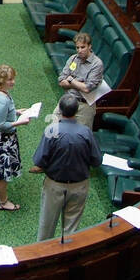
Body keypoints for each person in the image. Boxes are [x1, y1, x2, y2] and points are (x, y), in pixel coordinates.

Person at [31, 92, 102, 241]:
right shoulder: (86, 132)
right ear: (77, 112)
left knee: (46, 228)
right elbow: (96, 161)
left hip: (54, 186)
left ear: (60, 110)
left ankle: (43, 258)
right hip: (79, 186)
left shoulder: (52, 131)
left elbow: (39, 160)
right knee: (71, 231)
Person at [0, 64, 29, 211]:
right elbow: (1, 125)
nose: (13, 82)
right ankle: (4, 202)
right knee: (2, 173)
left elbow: (0, 115)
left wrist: (16, 111)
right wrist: (19, 122)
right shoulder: (3, 100)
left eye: (13, 78)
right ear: (2, 80)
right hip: (4, 140)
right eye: (10, 79)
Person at [49, 31, 105, 129]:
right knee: (53, 128)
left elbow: (87, 88)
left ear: (89, 46)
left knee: (80, 137)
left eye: (82, 47)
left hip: (84, 105)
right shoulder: (73, 59)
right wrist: (78, 83)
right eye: (77, 47)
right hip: (68, 100)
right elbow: (61, 81)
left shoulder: (97, 64)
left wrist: (70, 79)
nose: (79, 50)